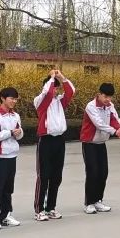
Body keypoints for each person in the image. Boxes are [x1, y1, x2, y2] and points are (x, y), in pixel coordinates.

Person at [80, 82, 120, 213]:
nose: (108, 100)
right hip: (89, 143)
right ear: (99, 95)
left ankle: (98, 200)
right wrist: (115, 132)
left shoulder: (109, 106)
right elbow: (99, 124)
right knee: (93, 172)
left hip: (101, 143)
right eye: (106, 97)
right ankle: (89, 203)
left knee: (103, 172)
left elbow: (115, 118)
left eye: (110, 97)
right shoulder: (90, 107)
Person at [33, 68, 75, 221]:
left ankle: (51, 207)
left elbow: (71, 92)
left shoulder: (60, 101)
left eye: (57, 88)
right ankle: (39, 209)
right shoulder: (40, 101)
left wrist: (62, 78)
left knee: (56, 176)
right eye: (54, 87)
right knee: (43, 175)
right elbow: (47, 93)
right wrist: (51, 77)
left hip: (59, 140)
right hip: (46, 140)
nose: (56, 90)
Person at [0, 87, 24, 230]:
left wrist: (18, 133)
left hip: (12, 155)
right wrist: (10, 133)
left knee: (8, 188)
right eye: (11, 98)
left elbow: (19, 135)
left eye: (15, 99)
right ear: (2, 98)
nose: (13, 101)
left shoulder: (15, 116)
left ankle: (6, 215)